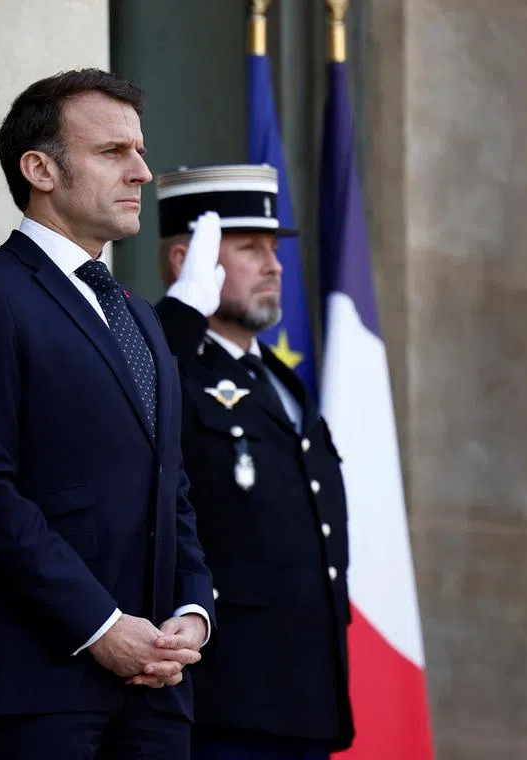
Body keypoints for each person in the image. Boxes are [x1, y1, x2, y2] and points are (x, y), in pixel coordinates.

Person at [0, 69, 216, 760]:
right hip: (36, 687)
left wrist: (192, 614)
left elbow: (170, 487)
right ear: (40, 168)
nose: (141, 171)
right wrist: (100, 626)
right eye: (113, 152)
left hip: (157, 691)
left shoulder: (139, 316)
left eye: (138, 151)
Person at [153, 164, 355, 759]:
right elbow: (133, 394)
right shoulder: (173, 367)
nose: (274, 265)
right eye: (248, 249)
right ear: (187, 260)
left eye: (274, 248)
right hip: (223, 699)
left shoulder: (277, 380)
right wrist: (182, 310)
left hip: (304, 697)